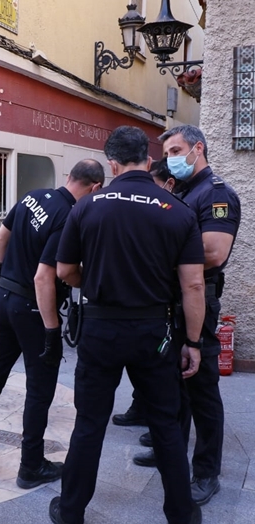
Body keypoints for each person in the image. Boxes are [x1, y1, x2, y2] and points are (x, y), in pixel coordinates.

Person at [50, 126, 205, 524]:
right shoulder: (178, 211)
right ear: (150, 160)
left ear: (112, 164)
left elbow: (65, 270)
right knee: (166, 425)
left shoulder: (86, 206)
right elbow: (192, 283)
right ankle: (182, 513)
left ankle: (70, 512)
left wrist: (97, 279)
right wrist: (193, 342)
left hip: (101, 331)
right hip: (155, 332)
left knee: (89, 424)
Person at [0, 159, 104, 490]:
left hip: (5, 300)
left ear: (68, 177)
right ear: (94, 188)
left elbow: (3, 240)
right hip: (32, 308)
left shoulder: (33, 196)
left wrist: (10, 277)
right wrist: (52, 331)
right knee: (40, 387)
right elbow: (43, 277)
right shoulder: (69, 217)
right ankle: (31, 465)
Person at [122, 125, 240, 507]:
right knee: (172, 381)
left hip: (198, 300)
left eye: (176, 149)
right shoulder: (184, 190)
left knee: (202, 388)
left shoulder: (216, 193)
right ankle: (168, 449)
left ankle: (206, 472)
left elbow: (213, 252)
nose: (171, 157)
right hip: (171, 299)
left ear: (198, 149)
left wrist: (156, 256)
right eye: (167, 150)